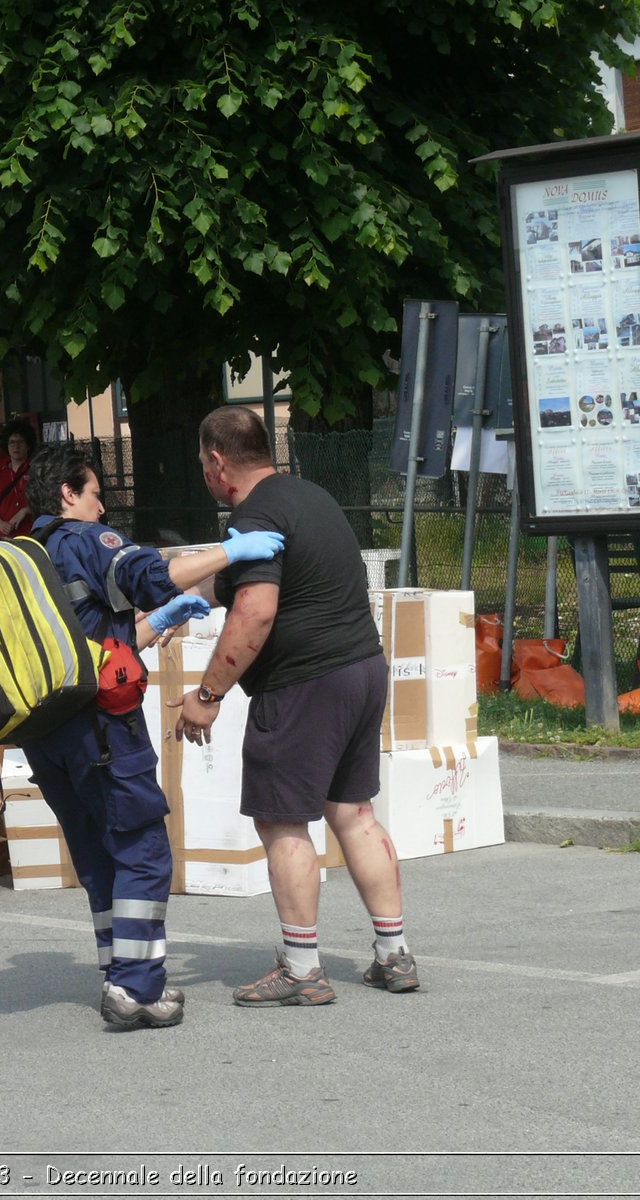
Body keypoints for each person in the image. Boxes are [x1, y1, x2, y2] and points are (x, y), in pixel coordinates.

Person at [21, 445, 285, 1030]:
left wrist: (157, 623)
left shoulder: (28, 555)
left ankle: (118, 973)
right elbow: (152, 574)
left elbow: (85, 645)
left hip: (47, 733)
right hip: (102, 732)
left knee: (98, 855)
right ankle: (138, 990)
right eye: (95, 493)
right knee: (142, 849)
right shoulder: (87, 540)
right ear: (68, 493)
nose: (100, 505)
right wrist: (231, 551)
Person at [172, 407, 418, 1007]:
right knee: (354, 814)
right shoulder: (310, 497)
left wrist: (207, 696)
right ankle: (394, 954)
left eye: (203, 462)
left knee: (284, 821)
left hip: (303, 686)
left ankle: (303, 968)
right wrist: (169, 606)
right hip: (361, 668)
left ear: (217, 460)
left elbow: (255, 611)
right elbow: (233, 585)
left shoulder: (254, 515)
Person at [0, 420, 36, 539]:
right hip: (1, 535)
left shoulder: (36, 471)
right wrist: (0, 524)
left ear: (28, 445)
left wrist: (25, 511)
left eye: (20, 442)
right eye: (12, 442)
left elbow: (46, 502)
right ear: (6, 445)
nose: (16, 446)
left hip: (28, 534)